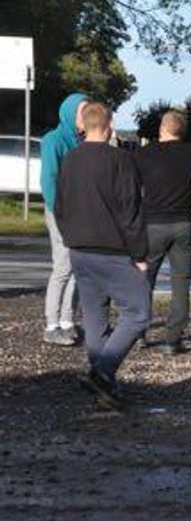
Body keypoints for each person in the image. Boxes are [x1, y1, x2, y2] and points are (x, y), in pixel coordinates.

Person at [53, 102, 149, 410]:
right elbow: (130, 209)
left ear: (83, 125)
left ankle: (103, 384)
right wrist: (140, 253)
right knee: (138, 312)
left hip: (79, 249)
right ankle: (102, 372)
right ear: (108, 125)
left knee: (95, 318)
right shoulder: (121, 160)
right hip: (113, 250)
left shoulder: (70, 159)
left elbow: (59, 205)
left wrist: (70, 237)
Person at [135, 110, 191, 355]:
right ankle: (172, 339)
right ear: (182, 131)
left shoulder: (143, 155)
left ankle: (138, 332)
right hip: (183, 224)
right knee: (181, 283)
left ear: (161, 129)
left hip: (152, 223)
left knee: (144, 280)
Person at [39, 92, 89, 346]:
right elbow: (48, 179)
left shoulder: (82, 142)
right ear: (70, 114)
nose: (87, 117)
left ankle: (68, 321)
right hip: (59, 210)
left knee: (77, 266)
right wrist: (59, 210)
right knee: (63, 265)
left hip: (78, 211)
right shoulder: (53, 140)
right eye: (82, 112)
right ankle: (52, 324)